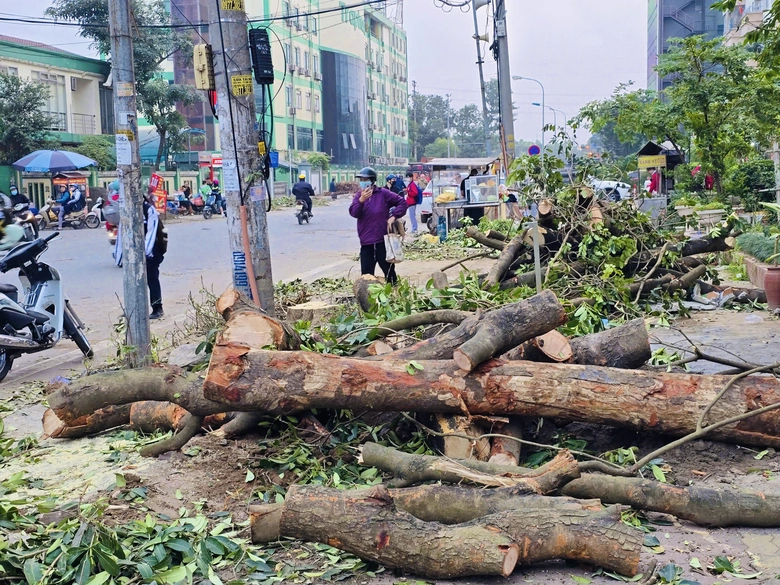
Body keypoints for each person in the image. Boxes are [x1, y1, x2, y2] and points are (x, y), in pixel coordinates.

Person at [349, 167, 408, 284]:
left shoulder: (383, 194)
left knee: (390, 273)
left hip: (382, 241)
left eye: (365, 179)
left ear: (372, 181)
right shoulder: (358, 196)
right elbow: (354, 213)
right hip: (366, 243)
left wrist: (393, 216)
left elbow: (402, 202)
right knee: (366, 277)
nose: (363, 182)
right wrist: (361, 200)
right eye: (361, 179)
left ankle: (395, 294)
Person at [113, 189, 166, 319]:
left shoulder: (149, 210)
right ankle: (133, 309)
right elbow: (122, 233)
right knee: (132, 280)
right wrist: (119, 256)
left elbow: (152, 233)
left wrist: (146, 253)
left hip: (151, 252)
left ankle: (157, 307)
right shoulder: (127, 211)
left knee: (151, 279)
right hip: (133, 251)